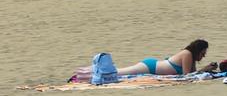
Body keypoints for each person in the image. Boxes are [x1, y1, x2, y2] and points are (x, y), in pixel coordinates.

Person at [74, 40, 211, 78]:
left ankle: (87, 71)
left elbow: (192, 74)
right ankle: (84, 72)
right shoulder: (187, 54)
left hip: (153, 66)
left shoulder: (190, 58)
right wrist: (206, 70)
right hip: (150, 67)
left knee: (118, 71)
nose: (203, 56)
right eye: (203, 53)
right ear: (197, 50)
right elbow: (187, 76)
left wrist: (205, 69)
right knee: (118, 72)